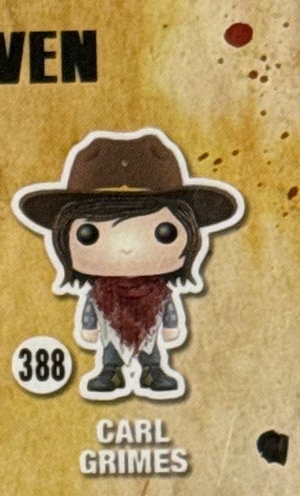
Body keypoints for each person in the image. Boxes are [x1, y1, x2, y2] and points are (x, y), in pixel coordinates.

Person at [15, 128, 242, 401]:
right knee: (111, 350)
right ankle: (111, 371)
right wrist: (89, 328)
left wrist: (171, 327)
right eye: (89, 234)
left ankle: (152, 371)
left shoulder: (160, 292)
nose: (126, 247)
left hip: (150, 331)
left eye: (164, 232)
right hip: (110, 331)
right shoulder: (99, 293)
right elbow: (91, 311)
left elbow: (168, 310)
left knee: (150, 349)